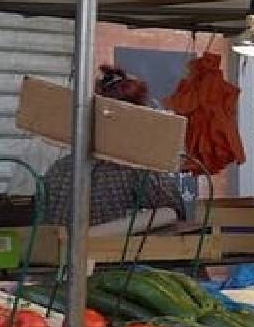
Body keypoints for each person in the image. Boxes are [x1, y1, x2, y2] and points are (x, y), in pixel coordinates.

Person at [42, 66, 186, 236]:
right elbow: (176, 212)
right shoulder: (137, 170)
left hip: (60, 250)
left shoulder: (59, 168)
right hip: (109, 252)